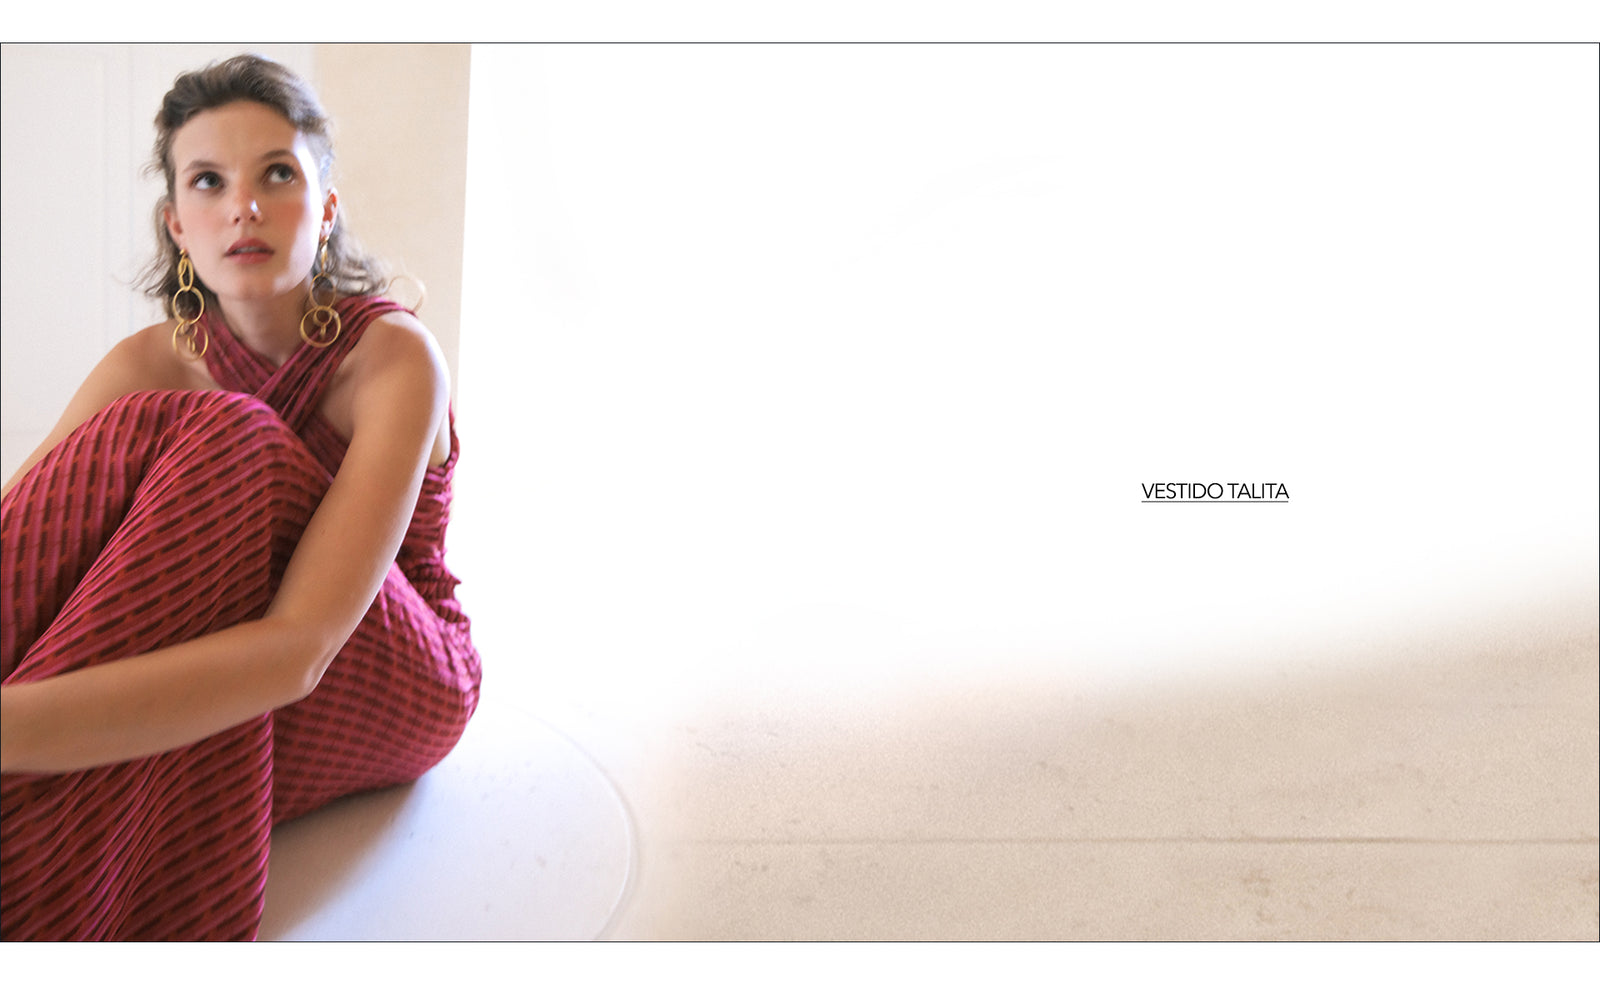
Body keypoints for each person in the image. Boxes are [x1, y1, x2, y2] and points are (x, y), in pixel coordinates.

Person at [0, 54, 482, 940]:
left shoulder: (392, 360)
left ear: (326, 208)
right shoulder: (151, 364)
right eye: (209, 181)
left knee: (233, 435)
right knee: (135, 436)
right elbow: (28, 537)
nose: (243, 207)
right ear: (177, 224)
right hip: (230, 664)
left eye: (278, 175)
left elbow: (299, 651)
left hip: (387, 671)